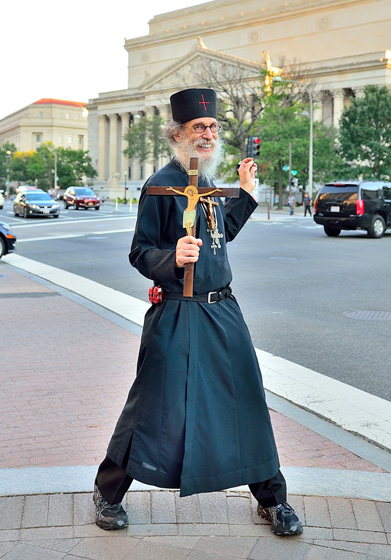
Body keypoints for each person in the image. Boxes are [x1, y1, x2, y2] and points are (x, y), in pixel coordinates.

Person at [93, 88, 303, 537]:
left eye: (213, 127)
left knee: (246, 402)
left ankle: (273, 500)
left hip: (223, 311)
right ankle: (107, 493)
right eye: (198, 127)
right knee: (152, 406)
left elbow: (220, 234)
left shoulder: (207, 182)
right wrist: (172, 258)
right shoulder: (161, 186)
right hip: (176, 313)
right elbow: (140, 251)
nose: (208, 134)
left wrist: (246, 194)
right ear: (177, 134)